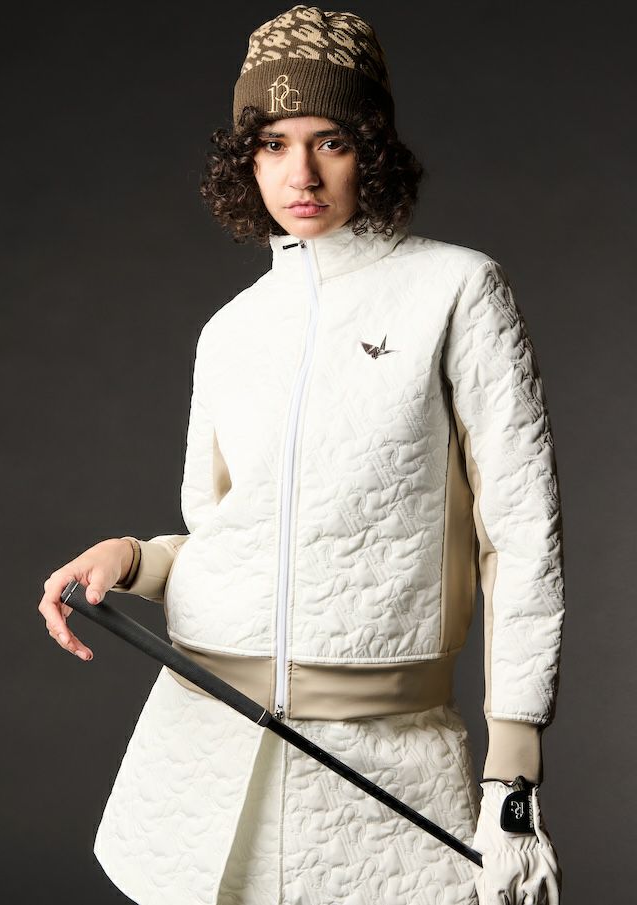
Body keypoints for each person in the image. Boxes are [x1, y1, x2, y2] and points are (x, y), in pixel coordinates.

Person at [37, 6, 565, 904]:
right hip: (202, 754)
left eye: (332, 141)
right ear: (245, 159)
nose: (301, 174)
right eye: (273, 144)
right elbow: (226, 534)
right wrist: (133, 558)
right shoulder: (230, 332)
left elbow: (523, 538)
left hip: (384, 763)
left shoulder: (459, 290)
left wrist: (512, 770)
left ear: (375, 150)